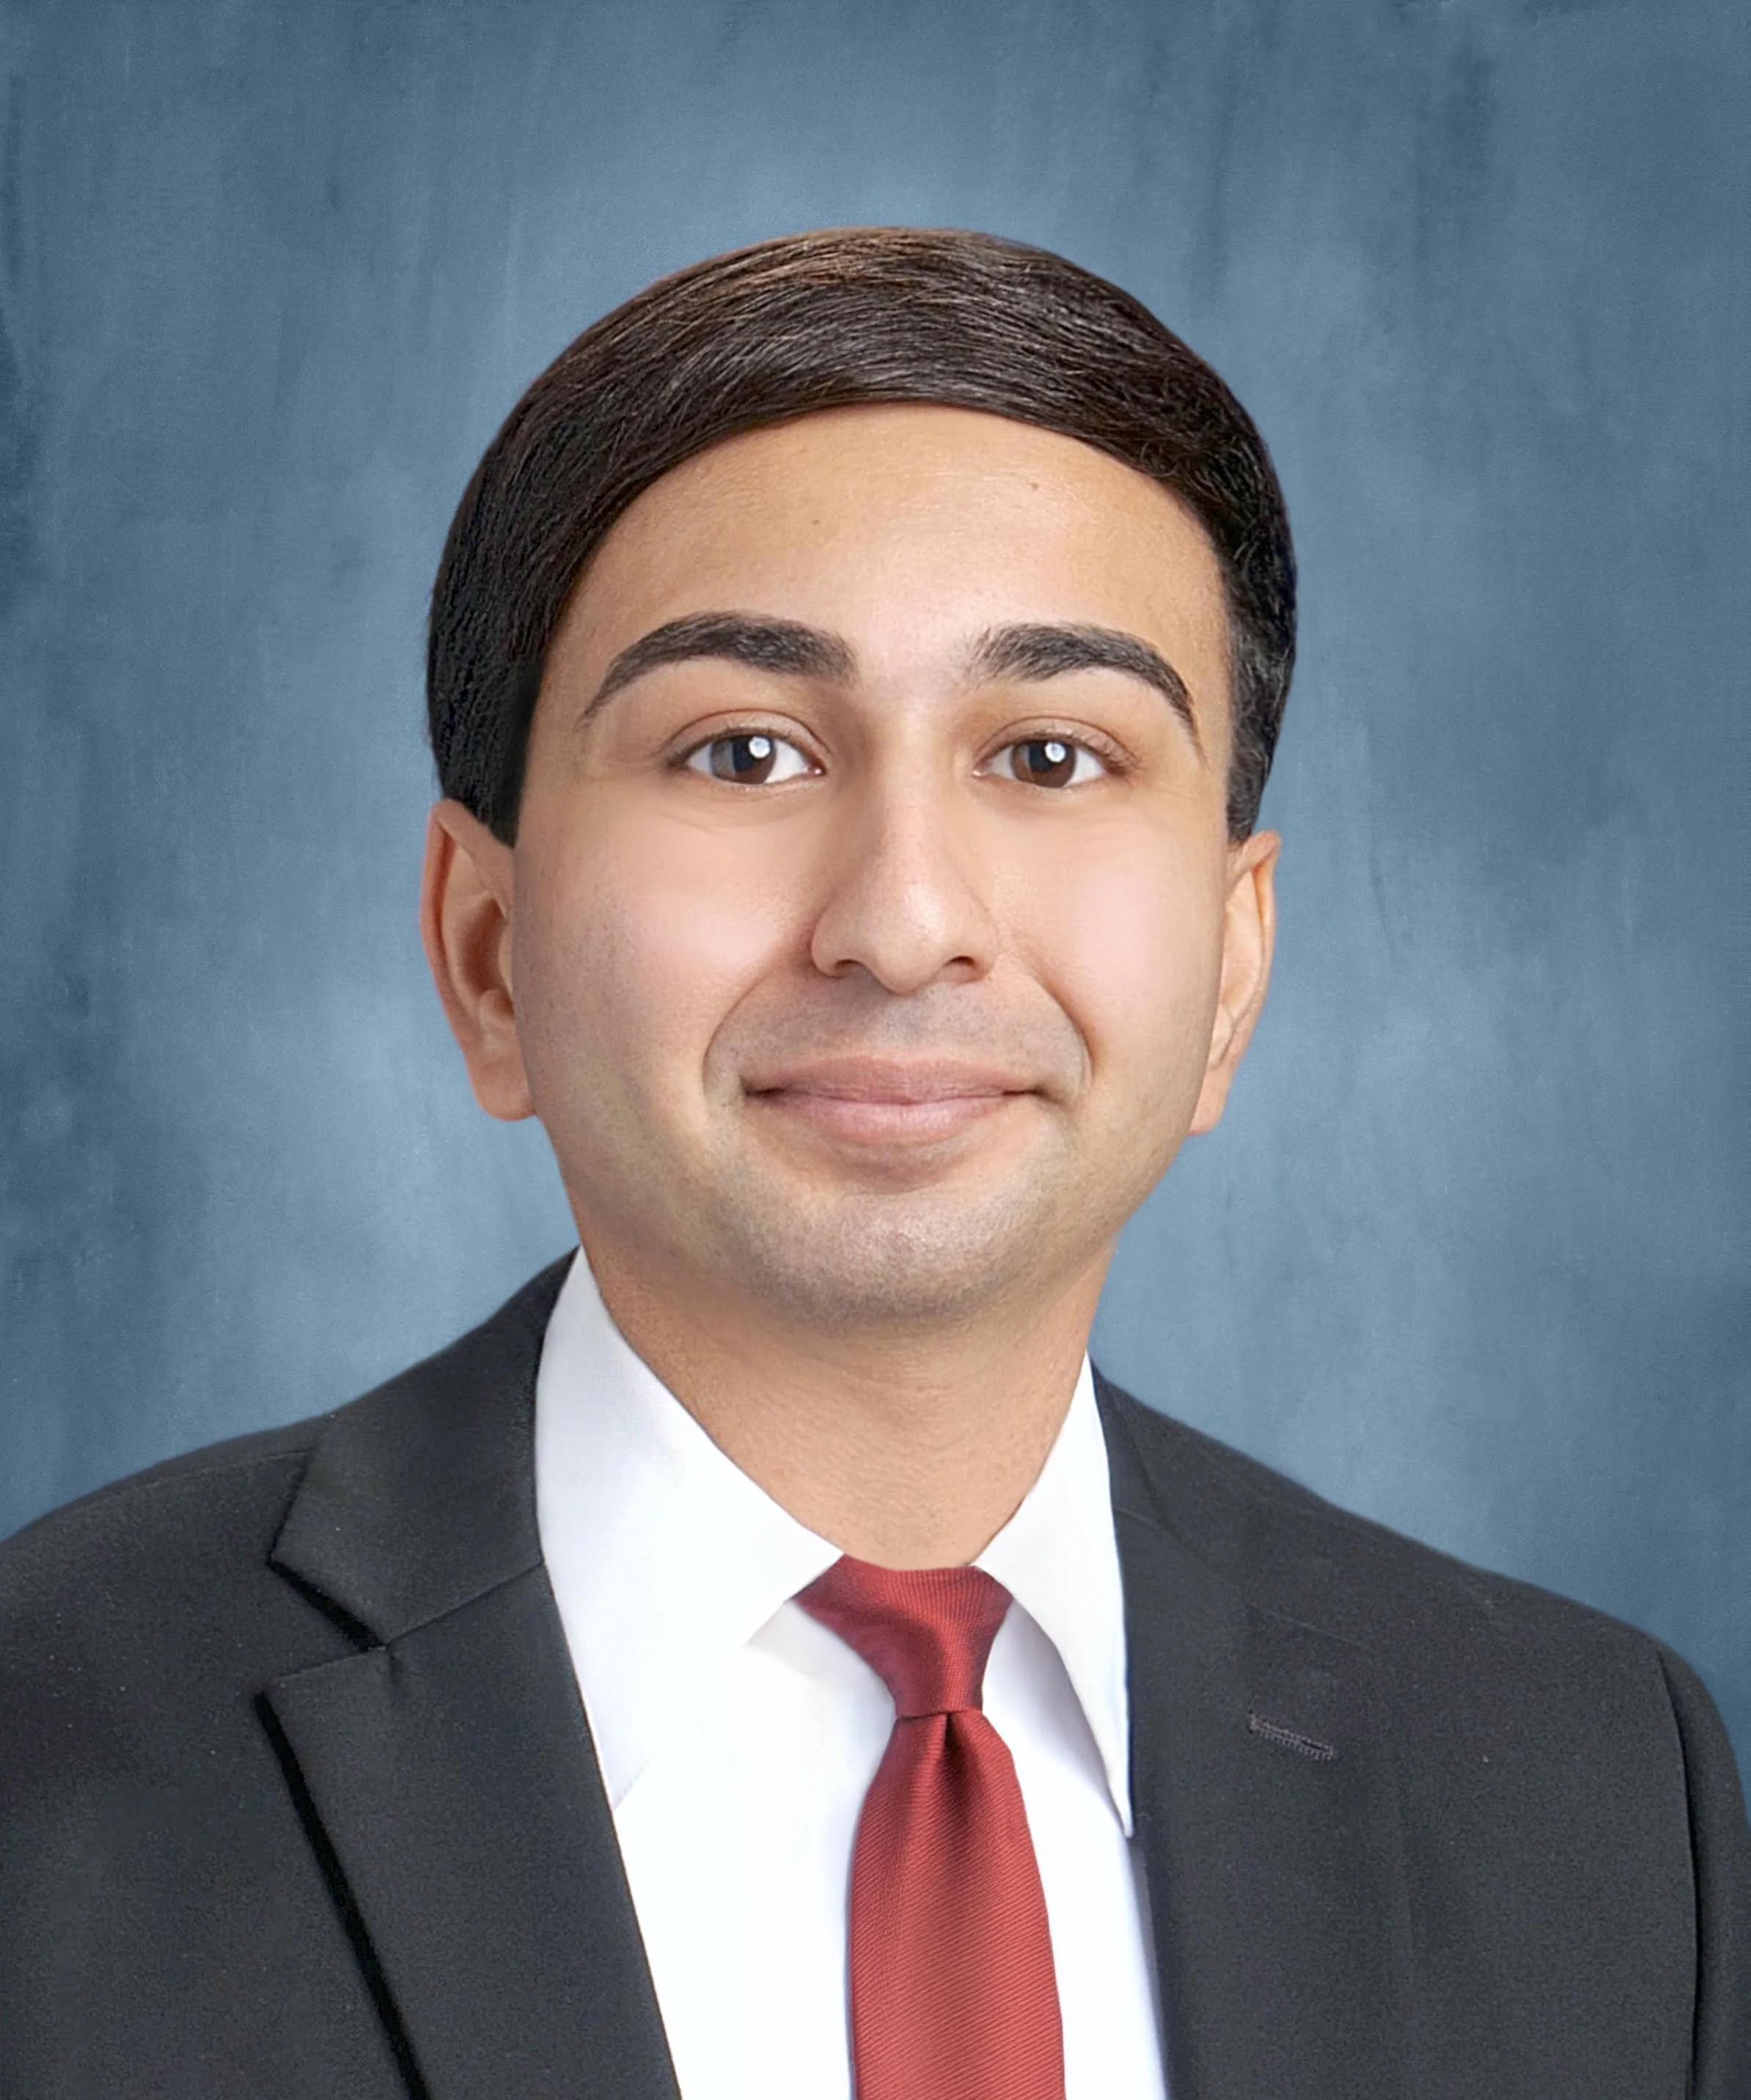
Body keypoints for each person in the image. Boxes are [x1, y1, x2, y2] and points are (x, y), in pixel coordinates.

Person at [1, 227, 1745, 2100]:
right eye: (745, 750)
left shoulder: (1595, 1790)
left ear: (1233, 968)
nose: (904, 923)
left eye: (1057, 755)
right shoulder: (53, 1745)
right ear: (487, 951)